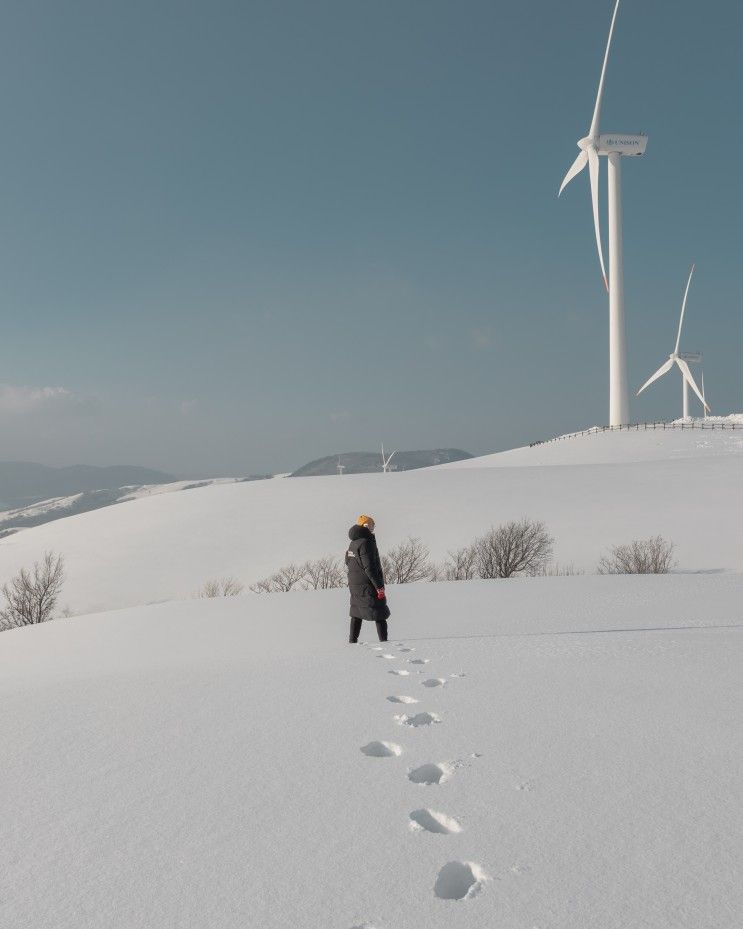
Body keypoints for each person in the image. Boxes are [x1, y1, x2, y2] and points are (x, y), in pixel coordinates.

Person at [345, 514, 390, 643]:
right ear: (365, 525)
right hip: (367, 584)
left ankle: (352, 642)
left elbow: (348, 562)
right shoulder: (366, 542)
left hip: (355, 584)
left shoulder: (353, 543)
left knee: (356, 612)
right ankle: (385, 643)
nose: (373, 527)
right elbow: (370, 567)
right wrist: (379, 587)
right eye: (372, 525)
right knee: (379, 613)